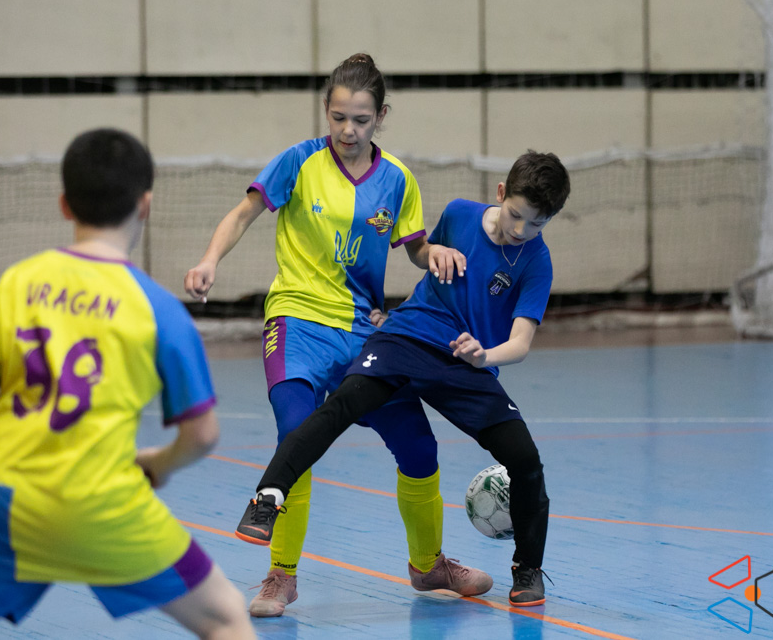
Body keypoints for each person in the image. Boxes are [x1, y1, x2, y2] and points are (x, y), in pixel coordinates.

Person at [0, 128, 255, 640]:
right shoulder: (158, 309)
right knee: (226, 616)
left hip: (8, 503)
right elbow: (202, 435)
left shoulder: (21, 281)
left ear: (64, 204)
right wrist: (158, 465)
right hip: (106, 506)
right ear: (145, 205)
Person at [184, 53, 491, 617]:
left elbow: (414, 247)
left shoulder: (397, 179)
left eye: (361, 120)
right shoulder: (298, 162)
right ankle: (281, 576)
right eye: (339, 118)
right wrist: (209, 260)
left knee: (419, 447)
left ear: (381, 118)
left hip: (363, 332)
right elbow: (243, 214)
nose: (348, 130)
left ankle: (428, 565)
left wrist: (435, 253)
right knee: (295, 433)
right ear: (326, 111)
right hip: (297, 321)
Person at [233, 150, 570, 608]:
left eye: (535, 224)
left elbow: (521, 342)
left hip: (465, 361)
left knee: (525, 458)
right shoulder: (459, 214)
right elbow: (428, 262)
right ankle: (268, 497)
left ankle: (527, 569)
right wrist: (406, 291)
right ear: (500, 193)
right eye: (515, 215)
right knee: (343, 404)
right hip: (408, 337)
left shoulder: (536, 261)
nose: (520, 230)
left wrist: (483, 355)